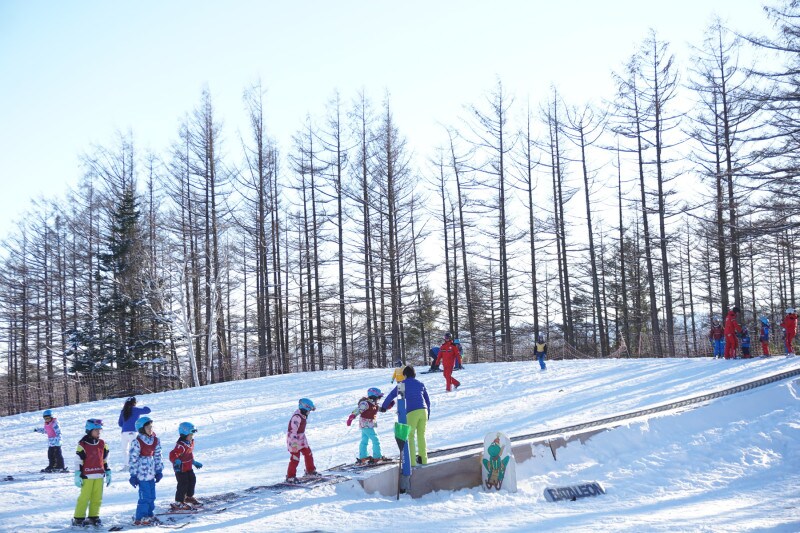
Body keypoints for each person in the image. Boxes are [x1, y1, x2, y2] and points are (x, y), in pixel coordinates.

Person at [381, 366, 431, 467]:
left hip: (412, 411)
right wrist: (428, 413)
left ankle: (412, 462)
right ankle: (424, 459)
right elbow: (427, 401)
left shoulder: (402, 384)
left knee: (410, 436)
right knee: (421, 435)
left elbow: (392, 395)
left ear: (405, 375)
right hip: (424, 411)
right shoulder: (420, 384)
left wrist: (384, 407)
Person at [72, 419, 111, 527]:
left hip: (99, 475)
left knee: (97, 497)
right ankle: (78, 518)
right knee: (84, 497)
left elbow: (105, 459)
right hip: (87, 476)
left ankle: (94, 516)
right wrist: (77, 474)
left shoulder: (103, 444)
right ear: (89, 430)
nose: (99, 432)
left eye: (100, 430)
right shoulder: (83, 445)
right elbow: (78, 461)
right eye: (96, 430)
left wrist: (108, 472)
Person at [128, 416, 164, 526]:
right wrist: (133, 475)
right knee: (145, 497)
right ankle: (140, 517)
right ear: (141, 429)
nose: (150, 429)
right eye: (147, 427)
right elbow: (133, 459)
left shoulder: (155, 440)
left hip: (151, 473)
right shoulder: (137, 441)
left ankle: (149, 515)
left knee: (152, 496)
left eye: (151, 427)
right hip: (141, 475)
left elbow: (158, 456)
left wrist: (159, 470)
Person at [347, 388, 392, 464]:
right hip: (367, 424)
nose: (379, 399)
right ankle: (377, 456)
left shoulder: (373, 403)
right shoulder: (365, 403)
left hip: (368, 424)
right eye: (378, 397)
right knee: (376, 440)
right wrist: (352, 417)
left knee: (364, 440)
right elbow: (358, 409)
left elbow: (380, 409)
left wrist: (388, 407)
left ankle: (363, 456)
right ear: (374, 396)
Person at [168, 422, 203, 510]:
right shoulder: (181, 445)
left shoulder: (190, 442)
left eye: (192, 434)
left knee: (192, 480)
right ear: (184, 434)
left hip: (188, 467)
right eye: (190, 434)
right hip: (180, 468)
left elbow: (189, 454)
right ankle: (179, 502)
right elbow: (172, 454)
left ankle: (188, 497)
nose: (192, 436)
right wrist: (176, 460)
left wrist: (194, 462)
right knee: (183, 484)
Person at [286, 398, 319, 483]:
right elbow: (292, 431)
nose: (309, 413)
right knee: (295, 458)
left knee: (308, 454)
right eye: (308, 410)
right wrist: (294, 444)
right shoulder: (296, 417)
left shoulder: (302, 415)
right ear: (304, 408)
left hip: (301, 439)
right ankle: (290, 477)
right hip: (294, 440)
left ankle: (310, 471)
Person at [118, 397, 151, 469]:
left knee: (125, 450)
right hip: (133, 432)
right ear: (134, 403)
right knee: (134, 449)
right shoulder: (136, 410)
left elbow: (120, 423)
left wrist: (126, 425)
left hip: (124, 433)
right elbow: (148, 410)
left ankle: (126, 465)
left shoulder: (123, 411)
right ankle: (135, 465)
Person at [34, 409, 67, 473]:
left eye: (48, 418)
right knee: (50, 455)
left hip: (56, 442)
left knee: (57, 455)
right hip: (51, 443)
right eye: (45, 418)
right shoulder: (47, 424)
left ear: (51, 417)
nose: (47, 420)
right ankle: (52, 466)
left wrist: (58, 440)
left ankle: (60, 466)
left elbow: (58, 432)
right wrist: (38, 430)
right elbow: (46, 431)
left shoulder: (54, 424)